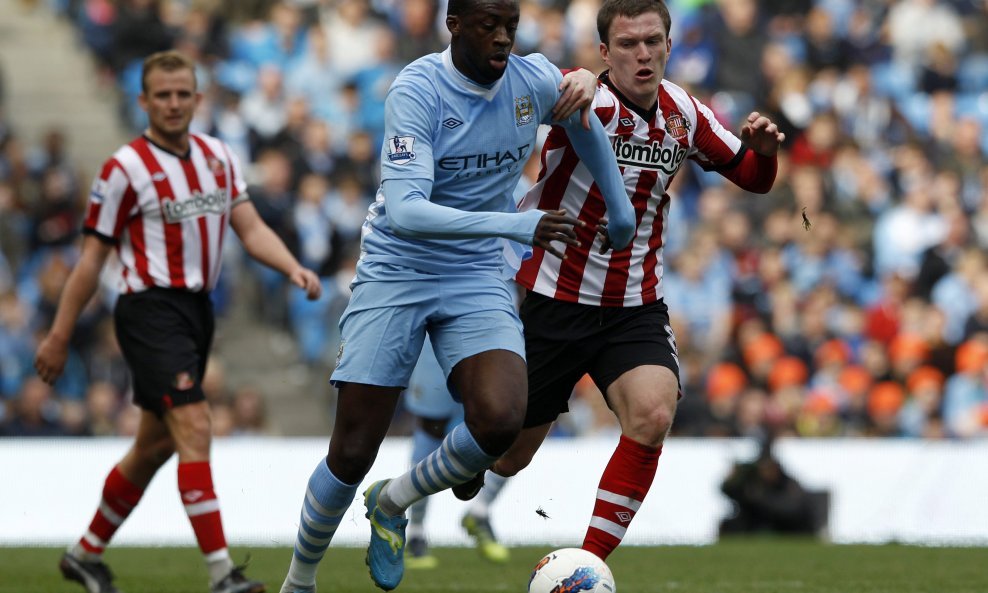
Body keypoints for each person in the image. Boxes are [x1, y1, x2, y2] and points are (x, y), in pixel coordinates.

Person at [278, 0, 637, 591]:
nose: (501, 39)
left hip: (473, 272)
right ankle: (300, 581)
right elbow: (407, 210)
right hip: (398, 268)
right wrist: (515, 225)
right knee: (352, 449)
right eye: (487, 26)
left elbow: (585, 123)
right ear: (454, 25)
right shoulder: (418, 90)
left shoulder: (533, 80)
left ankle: (393, 504)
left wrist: (618, 208)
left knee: (500, 418)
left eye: (510, 27)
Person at [460, 0, 786, 562]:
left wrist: (766, 153)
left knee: (654, 413)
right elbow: (526, 81)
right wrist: (577, 75)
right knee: (505, 455)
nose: (644, 54)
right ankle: (424, 487)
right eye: (629, 44)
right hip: (552, 297)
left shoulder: (686, 113)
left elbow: (753, 179)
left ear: (669, 44)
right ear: (605, 53)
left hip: (636, 304)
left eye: (653, 41)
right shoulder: (579, 94)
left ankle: (586, 565)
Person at [34, 50, 322, 593]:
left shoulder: (217, 156)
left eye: (181, 93)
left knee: (155, 445)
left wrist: (292, 267)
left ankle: (84, 554)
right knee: (194, 425)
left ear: (197, 98)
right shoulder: (124, 168)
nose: (172, 103)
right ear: (142, 101)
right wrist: (57, 334)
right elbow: (92, 259)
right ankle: (221, 574)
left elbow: (249, 226)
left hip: (197, 311)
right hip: (148, 310)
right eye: (161, 95)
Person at [403, 340, 512, 569]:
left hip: (493, 332)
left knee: (507, 424)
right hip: (437, 335)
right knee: (431, 428)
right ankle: (415, 532)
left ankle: (479, 512)